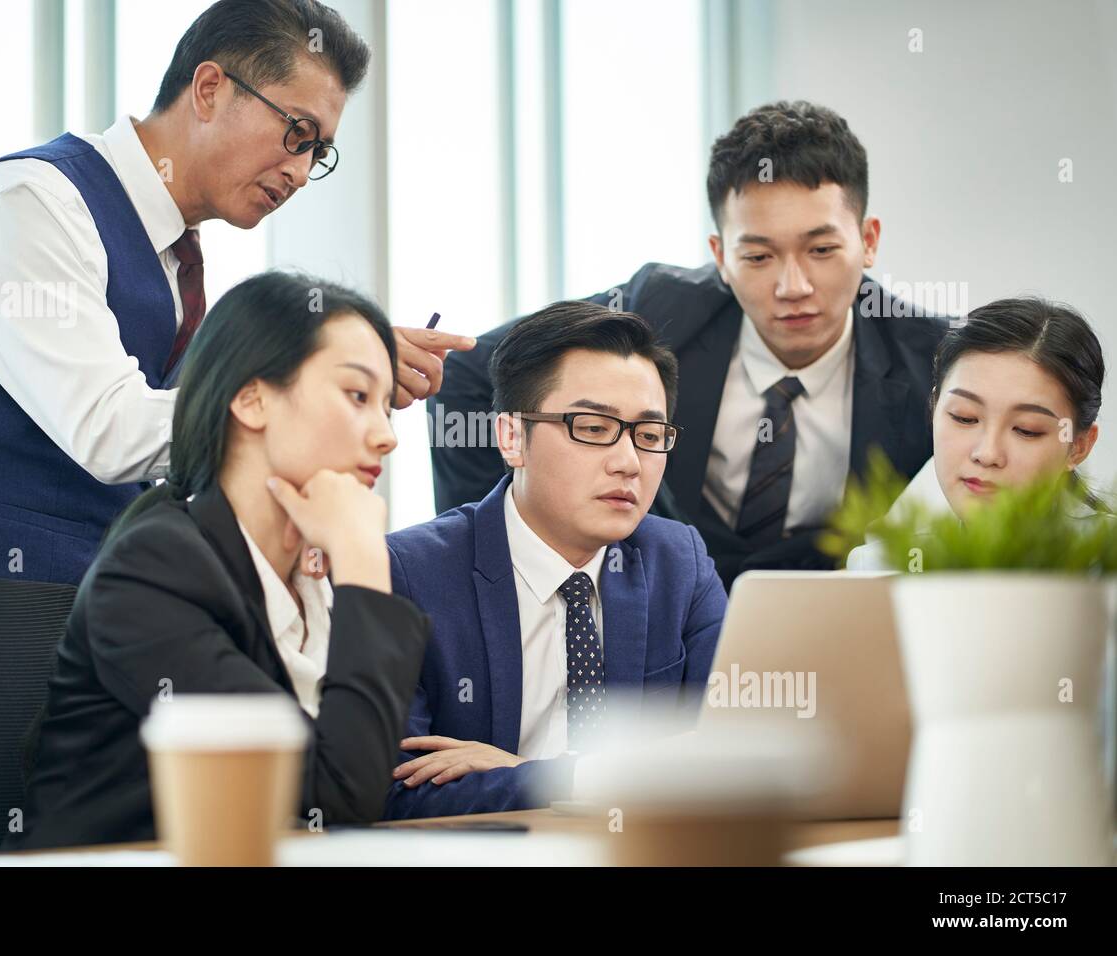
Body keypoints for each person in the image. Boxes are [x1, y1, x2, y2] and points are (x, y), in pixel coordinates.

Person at [0, 0, 471, 585]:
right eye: (297, 132)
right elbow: (110, 428)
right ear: (209, 89)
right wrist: (313, 390)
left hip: (84, 633)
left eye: (320, 151)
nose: (301, 171)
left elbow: (193, 456)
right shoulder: (32, 203)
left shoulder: (178, 261)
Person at [429, 100, 949, 590]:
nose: (794, 286)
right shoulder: (660, 307)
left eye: (821, 249)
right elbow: (468, 374)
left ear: (869, 240)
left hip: (836, 627)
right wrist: (497, 563)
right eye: (759, 257)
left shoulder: (933, 361)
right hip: (659, 624)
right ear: (720, 256)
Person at [5, 271, 429, 849]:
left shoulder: (310, 578)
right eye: (357, 396)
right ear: (251, 399)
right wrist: (362, 563)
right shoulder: (156, 569)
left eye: (386, 406)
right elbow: (335, 796)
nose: (386, 436)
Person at [383, 302, 726, 820]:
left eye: (650, 436)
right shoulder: (407, 573)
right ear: (511, 437)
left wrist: (549, 774)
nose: (628, 462)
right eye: (592, 427)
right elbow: (393, 791)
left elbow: (731, 758)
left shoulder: (679, 562)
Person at [848, 297, 1105, 569]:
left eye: (1026, 430)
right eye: (965, 417)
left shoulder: (1105, 562)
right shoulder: (883, 567)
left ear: (1079, 446)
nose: (987, 454)